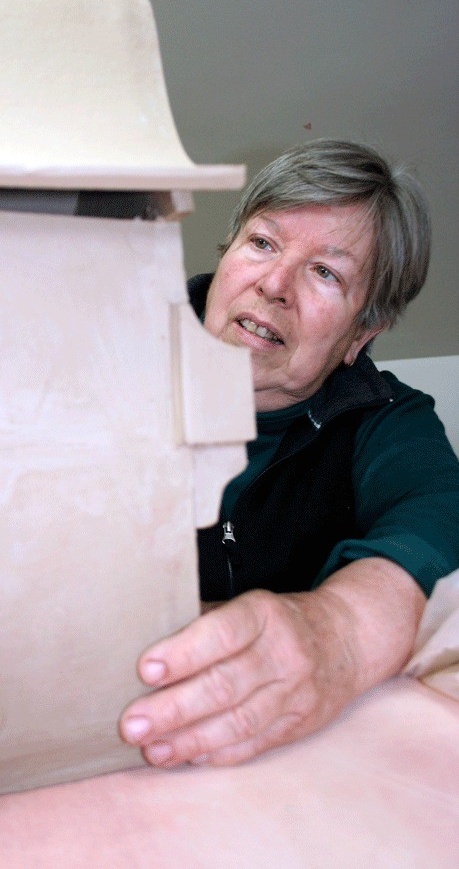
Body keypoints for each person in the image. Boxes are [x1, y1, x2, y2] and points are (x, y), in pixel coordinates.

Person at [119, 139, 459, 768]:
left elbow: (438, 518)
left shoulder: (389, 420)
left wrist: (337, 635)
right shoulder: (109, 349)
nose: (274, 285)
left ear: (361, 333)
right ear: (226, 254)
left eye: (325, 272)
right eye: (262, 243)